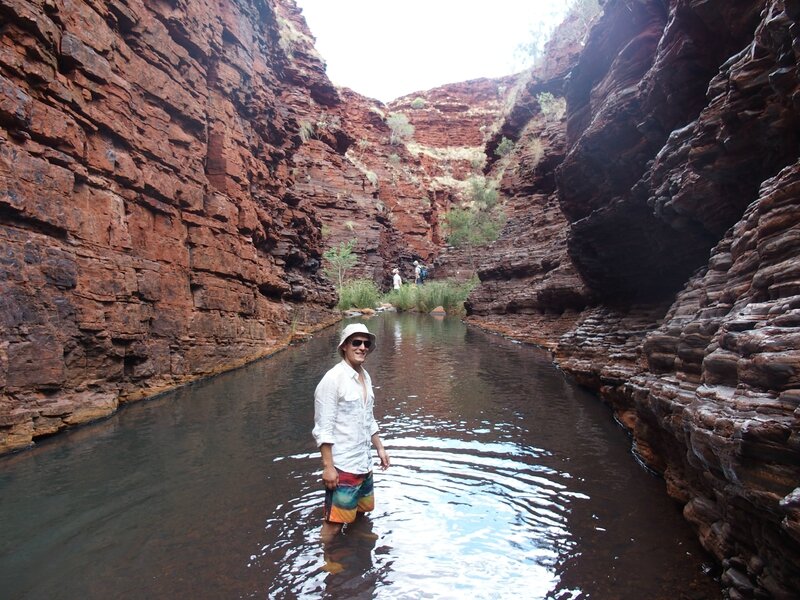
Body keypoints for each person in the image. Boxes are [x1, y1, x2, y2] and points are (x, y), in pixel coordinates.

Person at [313, 323, 390, 542]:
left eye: (366, 343)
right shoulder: (332, 379)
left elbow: (368, 417)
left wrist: (380, 448)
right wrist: (328, 468)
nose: (362, 347)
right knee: (334, 523)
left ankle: (356, 545)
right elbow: (323, 428)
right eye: (356, 342)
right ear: (345, 346)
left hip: (363, 463)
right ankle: (328, 561)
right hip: (343, 465)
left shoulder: (365, 377)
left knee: (361, 512)